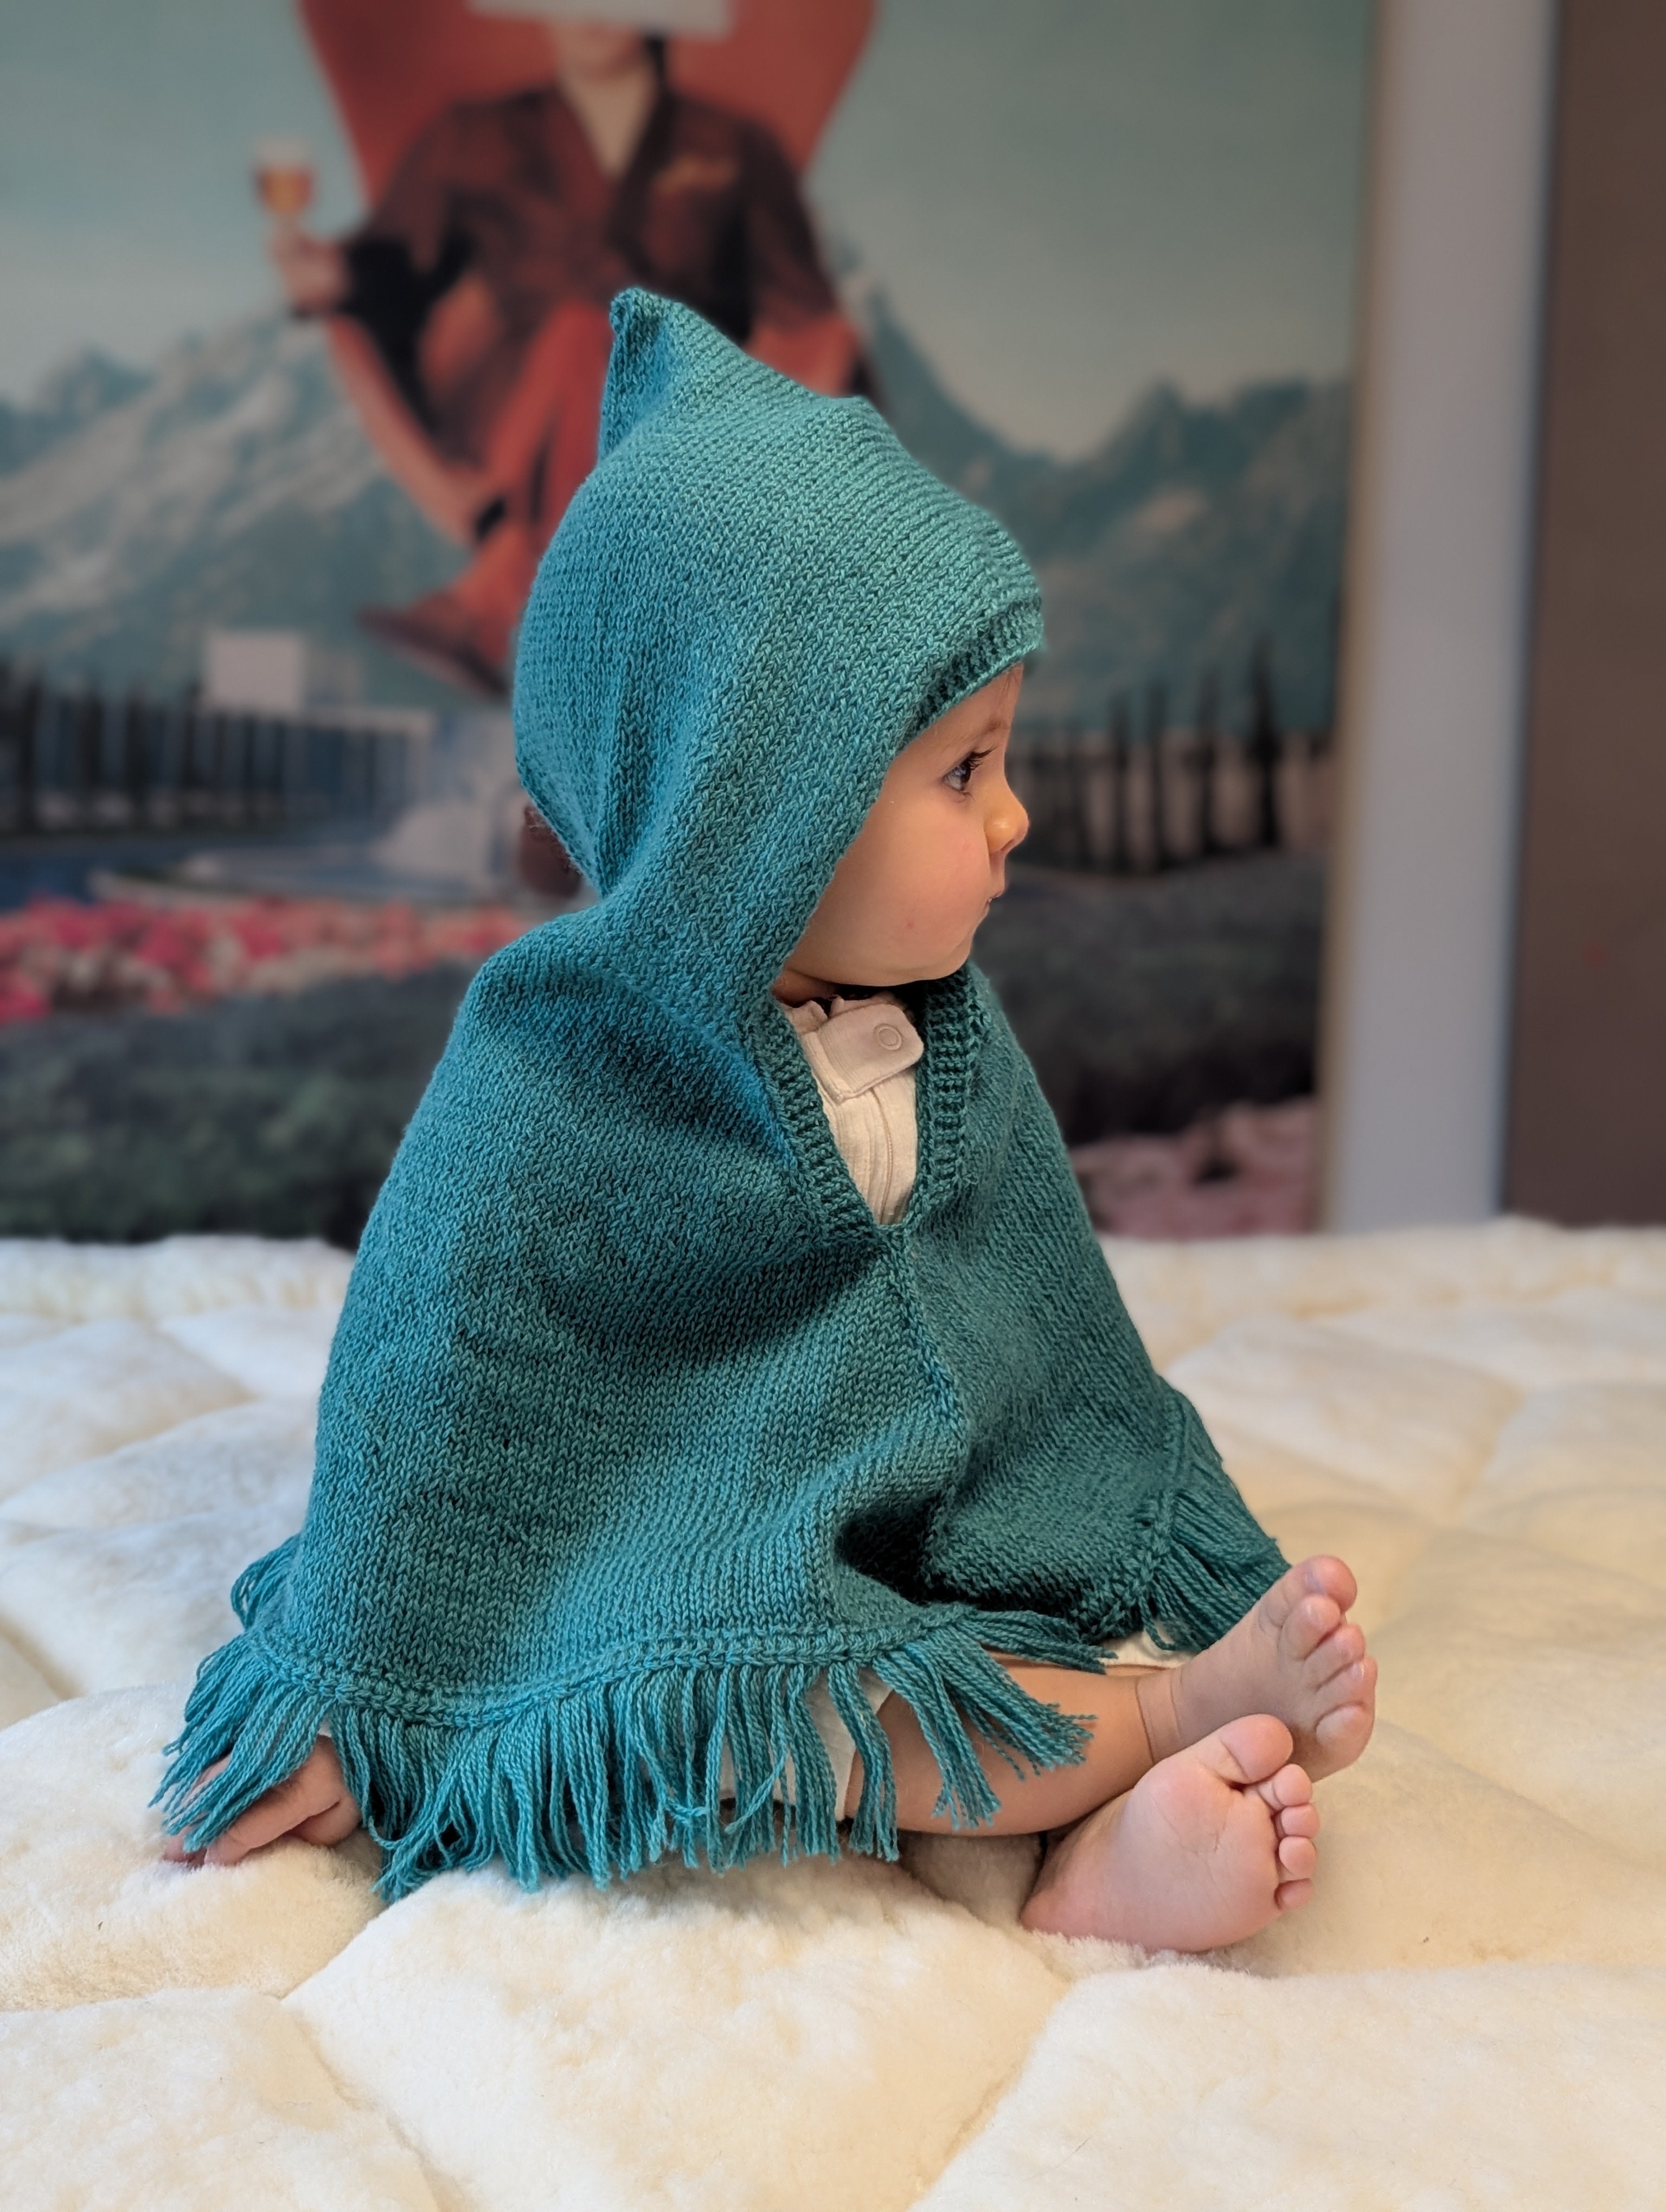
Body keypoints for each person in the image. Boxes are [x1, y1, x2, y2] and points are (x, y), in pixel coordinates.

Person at [159, 293, 1375, 1952]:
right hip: (690, 1537)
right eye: (964, 772)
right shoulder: (556, 1077)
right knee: (798, 1712)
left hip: (919, 1502)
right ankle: (1157, 1738)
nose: (1015, 816)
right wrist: (358, 1677)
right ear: (755, 812)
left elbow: (1036, 1315)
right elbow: (428, 1381)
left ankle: (1118, 1838)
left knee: (1009, 1613)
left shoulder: (943, 1037)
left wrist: (1076, 1478)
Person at [275, 11, 864, 698]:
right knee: (583, 335)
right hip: (509, 406)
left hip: (673, 418)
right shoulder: (476, 134)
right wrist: (336, 278)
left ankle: (492, 600)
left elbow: (805, 313)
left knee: (617, 338)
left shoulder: (731, 146)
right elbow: (392, 268)